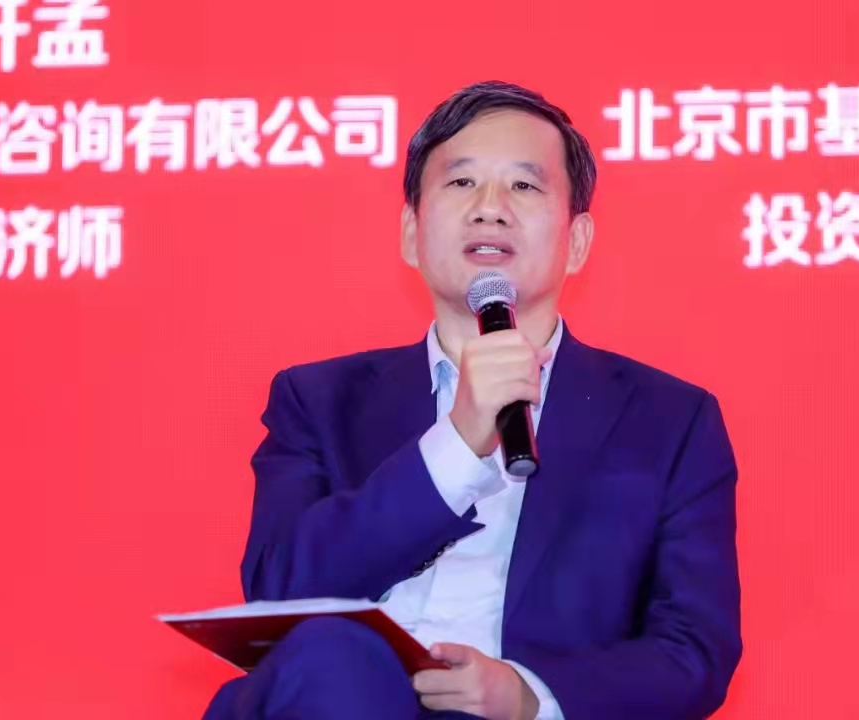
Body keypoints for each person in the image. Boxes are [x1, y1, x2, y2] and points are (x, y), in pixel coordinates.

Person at [200, 80, 742, 720]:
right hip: (339, 699)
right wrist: (456, 443)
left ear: (577, 243)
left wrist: (527, 695)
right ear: (411, 233)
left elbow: (692, 651)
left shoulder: (670, 421)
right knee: (330, 657)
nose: (490, 208)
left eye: (525, 186)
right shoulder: (318, 400)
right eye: (461, 182)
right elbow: (280, 602)